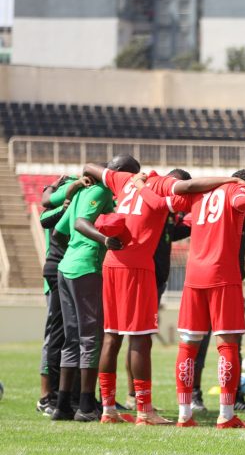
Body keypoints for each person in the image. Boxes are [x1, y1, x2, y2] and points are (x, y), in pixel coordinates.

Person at [137, 169, 245, 428]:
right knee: (227, 346)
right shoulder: (237, 188)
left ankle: (185, 414)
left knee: (187, 346)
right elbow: (241, 202)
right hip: (223, 277)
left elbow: (160, 203)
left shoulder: (199, 194)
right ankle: (226, 415)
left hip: (194, 277)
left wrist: (141, 185)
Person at [82, 161, 198, 425]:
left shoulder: (123, 181)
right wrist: (227, 182)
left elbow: (91, 166)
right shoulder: (159, 190)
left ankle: (108, 410)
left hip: (112, 262)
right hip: (137, 267)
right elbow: (187, 190)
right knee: (140, 339)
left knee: (111, 336)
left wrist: (84, 178)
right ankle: (145, 411)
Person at [51, 162, 119, 422]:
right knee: (91, 337)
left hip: (65, 266)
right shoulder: (101, 191)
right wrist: (103, 241)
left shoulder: (79, 193)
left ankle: (62, 405)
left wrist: (76, 248)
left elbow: (58, 233)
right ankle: (87, 406)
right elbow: (80, 223)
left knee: (71, 338)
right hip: (86, 268)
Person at [36, 176, 81, 415]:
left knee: (67, 335)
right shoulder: (58, 204)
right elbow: (45, 215)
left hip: (67, 272)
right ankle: (46, 396)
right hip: (57, 273)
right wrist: (60, 192)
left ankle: (71, 395)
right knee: (54, 335)